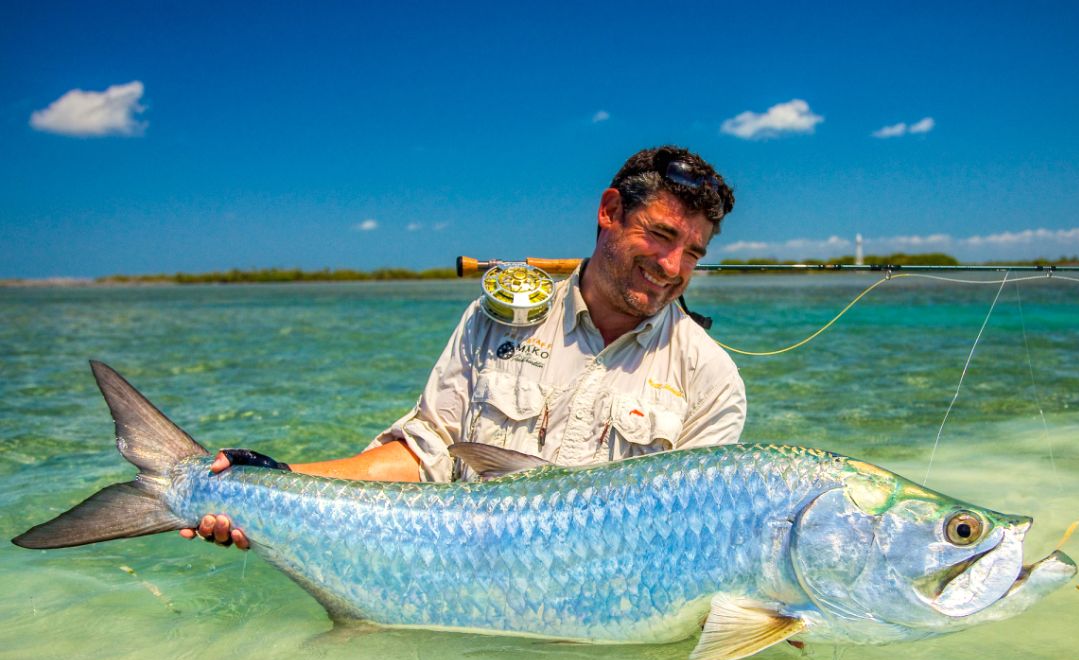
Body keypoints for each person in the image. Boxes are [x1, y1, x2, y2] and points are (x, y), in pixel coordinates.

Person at [189, 145, 746, 550]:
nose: (672, 267)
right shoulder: (495, 321)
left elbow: (691, 540)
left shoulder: (711, 378)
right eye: (661, 235)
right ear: (609, 211)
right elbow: (425, 453)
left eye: (693, 252)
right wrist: (275, 477)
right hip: (453, 583)